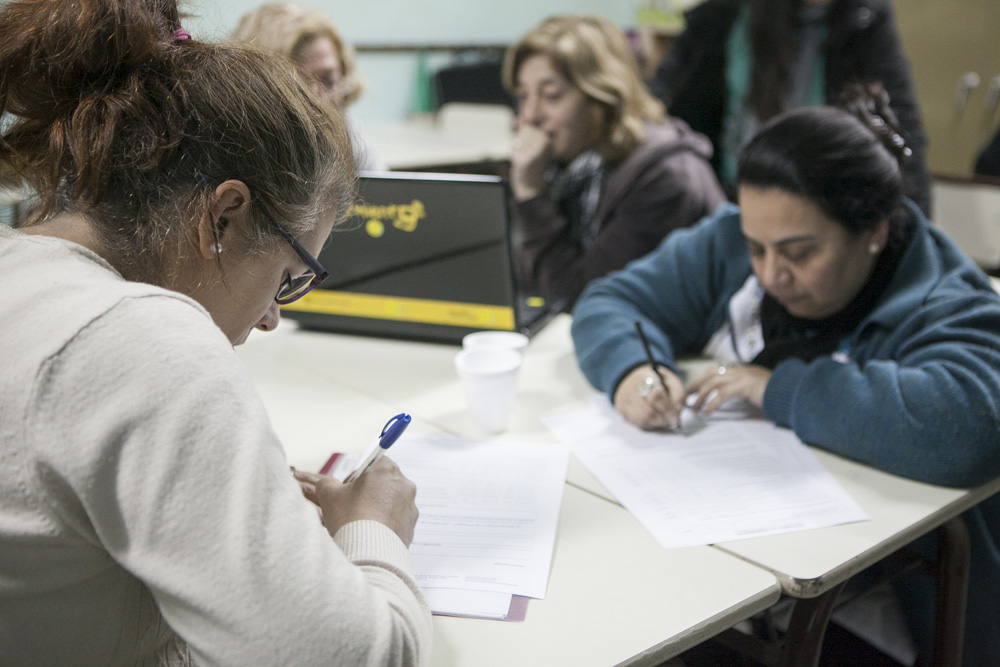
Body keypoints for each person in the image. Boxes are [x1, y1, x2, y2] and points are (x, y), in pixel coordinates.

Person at [0, 0, 431, 664]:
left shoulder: (21, 265)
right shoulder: (143, 338)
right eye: (289, 273)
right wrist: (375, 529)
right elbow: (362, 657)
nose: (270, 316)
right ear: (224, 216)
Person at [571, 92, 1000, 665]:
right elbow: (612, 300)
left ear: (873, 230)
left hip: (878, 610)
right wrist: (633, 370)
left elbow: (965, 426)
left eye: (800, 252)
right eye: (757, 248)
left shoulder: (942, 297)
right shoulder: (731, 239)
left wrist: (778, 388)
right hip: (729, 569)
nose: (773, 274)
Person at [502, 15, 726, 311]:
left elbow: (583, 303)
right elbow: (528, 284)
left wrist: (531, 196)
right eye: (523, 96)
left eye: (551, 96)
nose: (530, 115)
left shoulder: (665, 178)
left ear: (603, 97)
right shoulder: (564, 166)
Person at [649, 0, 933, 215]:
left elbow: (904, 134)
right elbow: (663, 103)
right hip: (722, 203)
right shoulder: (724, 16)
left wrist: (913, 234)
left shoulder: (864, 18)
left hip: (821, 208)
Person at [232, 2, 387, 171]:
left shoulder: (350, 137)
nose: (320, 103)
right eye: (298, 89)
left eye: (328, 81)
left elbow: (384, 189)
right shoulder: (235, 151)